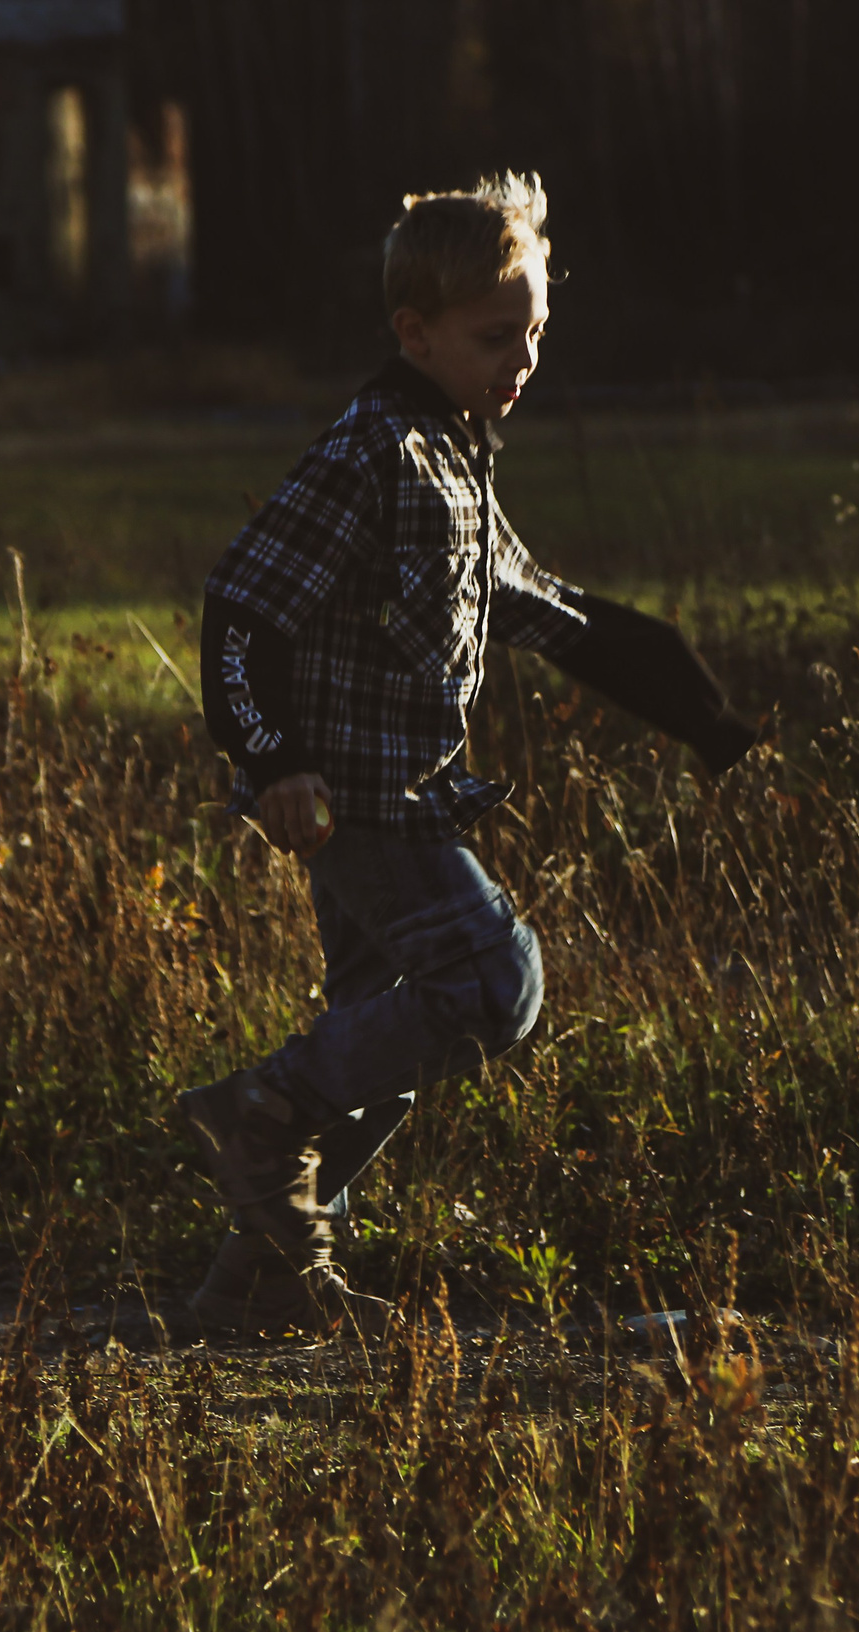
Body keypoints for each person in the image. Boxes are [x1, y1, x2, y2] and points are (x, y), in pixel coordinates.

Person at [182, 173, 756, 1338]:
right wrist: (272, 755)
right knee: (497, 985)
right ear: (415, 332)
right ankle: (258, 1110)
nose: (524, 359)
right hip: (358, 800)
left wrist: (708, 720)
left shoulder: (456, 453)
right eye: (497, 336)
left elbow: (543, 608)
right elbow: (240, 605)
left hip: (400, 793)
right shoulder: (374, 449)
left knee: (382, 1042)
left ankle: (261, 1277)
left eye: (537, 332)